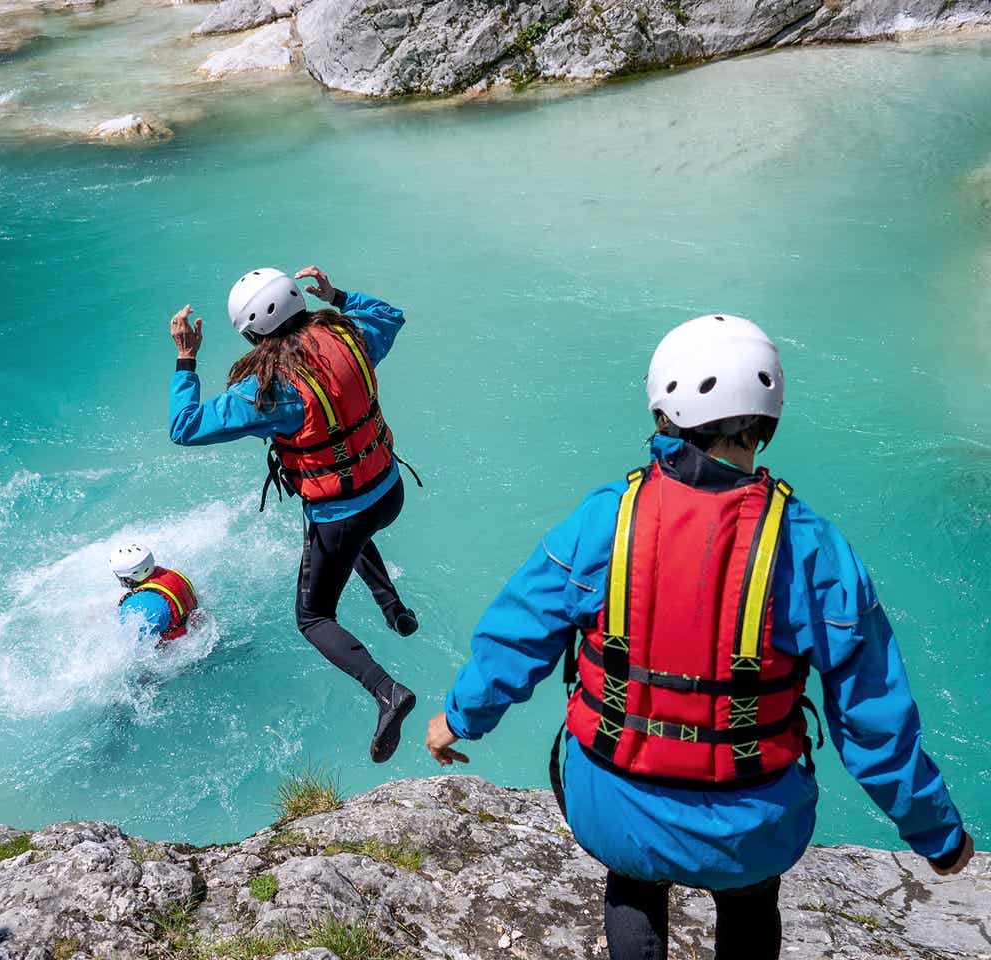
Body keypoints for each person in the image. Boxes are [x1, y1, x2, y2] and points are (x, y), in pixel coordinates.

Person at [426, 314, 973, 959]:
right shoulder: (813, 548)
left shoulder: (607, 517)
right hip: (750, 830)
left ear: (664, 409)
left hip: (613, 803)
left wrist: (459, 720)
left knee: (631, 881)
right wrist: (937, 836)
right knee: (749, 901)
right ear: (766, 420)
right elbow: (874, 721)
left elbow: (519, 635)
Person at [167, 265, 421, 762]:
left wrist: (185, 358)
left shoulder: (269, 389)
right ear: (299, 303)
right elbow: (391, 316)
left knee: (313, 616)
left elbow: (185, 425)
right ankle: (396, 611)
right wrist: (339, 294)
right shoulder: (351, 338)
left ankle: (387, 691)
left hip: (343, 512)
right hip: (388, 490)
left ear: (250, 332)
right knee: (348, 528)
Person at [110, 543, 199, 644]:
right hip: (193, 631)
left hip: (174, 648)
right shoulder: (172, 574)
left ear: (128, 579)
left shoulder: (142, 606)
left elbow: (130, 645)